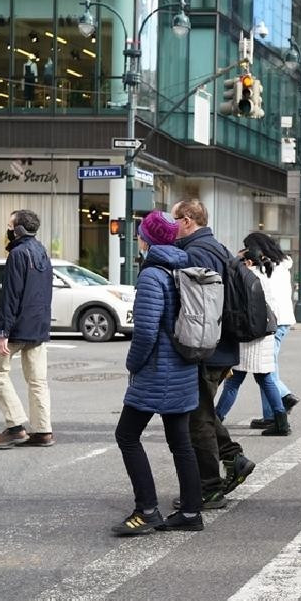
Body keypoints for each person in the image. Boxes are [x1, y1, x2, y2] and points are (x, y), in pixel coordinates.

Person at [110, 211, 204, 535]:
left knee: (126, 435)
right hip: (183, 368)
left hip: (157, 372)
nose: (138, 237)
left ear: (147, 239)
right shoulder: (183, 266)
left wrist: (132, 364)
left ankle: (147, 509)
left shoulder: (152, 274)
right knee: (181, 442)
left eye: (140, 233)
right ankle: (191, 512)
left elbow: (146, 332)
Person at [173, 199, 255, 507]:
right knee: (204, 411)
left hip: (206, 348)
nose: (172, 226)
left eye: (175, 219)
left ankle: (209, 486)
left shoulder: (195, 253)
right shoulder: (217, 247)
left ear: (188, 220)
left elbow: (198, 309)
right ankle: (234, 459)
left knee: (198, 419)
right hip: (223, 345)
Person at [0, 209, 54, 448]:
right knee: (38, 380)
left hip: (16, 327)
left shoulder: (18, 253)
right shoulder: (42, 251)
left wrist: (3, 332)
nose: (8, 230)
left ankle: (15, 426)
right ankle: (43, 431)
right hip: (38, 327)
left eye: (10, 226)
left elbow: (10, 295)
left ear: (19, 230)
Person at [216, 233, 300, 429]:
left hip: (265, 324)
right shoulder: (279, 264)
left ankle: (283, 400)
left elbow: (257, 296)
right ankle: (273, 415)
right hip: (273, 323)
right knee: (264, 371)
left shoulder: (261, 271)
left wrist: (241, 261)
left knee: (264, 372)